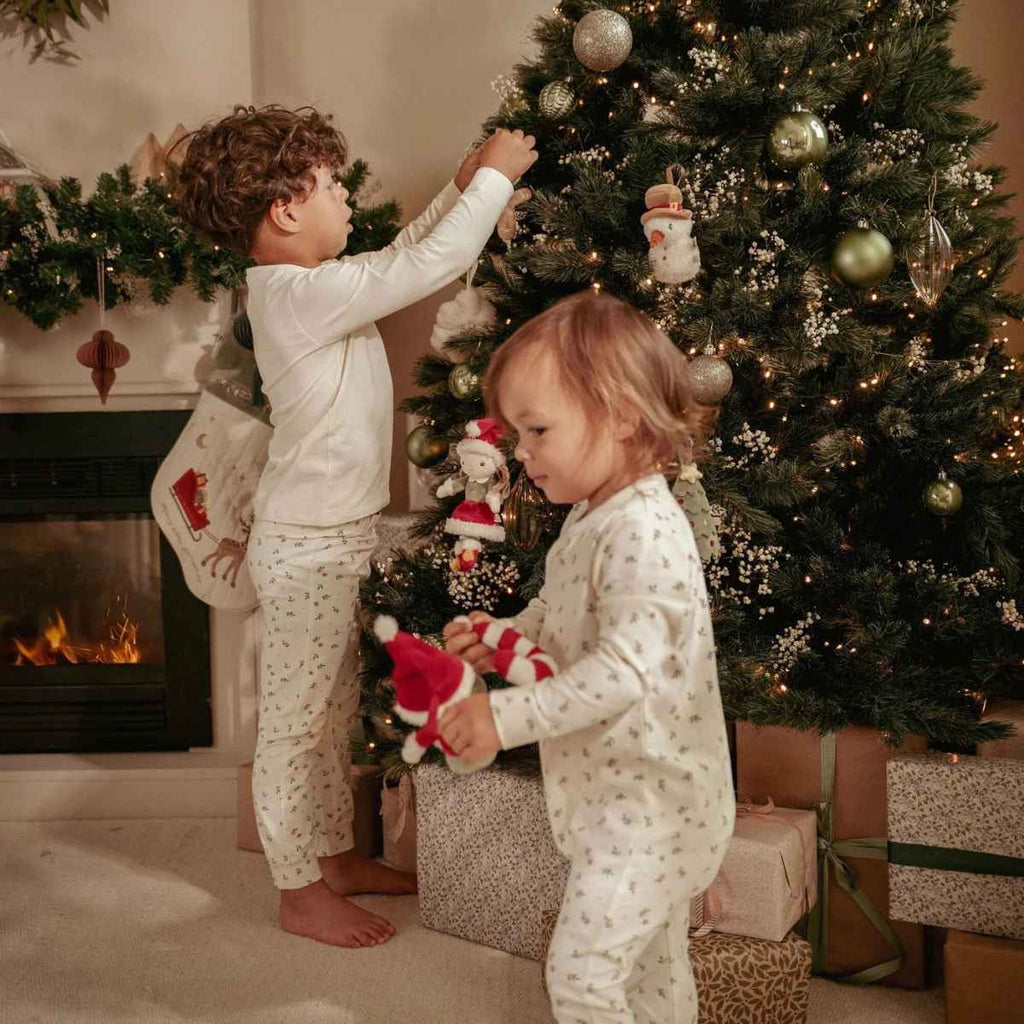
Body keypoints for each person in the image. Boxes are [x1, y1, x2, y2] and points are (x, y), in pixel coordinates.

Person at [176, 104, 537, 948]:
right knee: (295, 725)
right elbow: (428, 264)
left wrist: (455, 189)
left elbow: (405, 253)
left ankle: (333, 857)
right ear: (285, 211)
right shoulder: (296, 296)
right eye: (332, 186)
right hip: (306, 548)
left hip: (337, 538)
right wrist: (494, 178)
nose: (346, 197)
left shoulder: (313, 288)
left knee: (332, 714)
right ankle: (297, 889)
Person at [440, 291, 735, 1023]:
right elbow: (560, 612)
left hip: (651, 806)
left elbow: (623, 672)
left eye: (538, 429)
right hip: (614, 795)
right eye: (516, 433)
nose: (521, 451)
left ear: (623, 416)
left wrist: (503, 718)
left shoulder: (644, 531)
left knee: (581, 976)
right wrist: (504, 637)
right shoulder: (592, 515)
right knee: (651, 972)